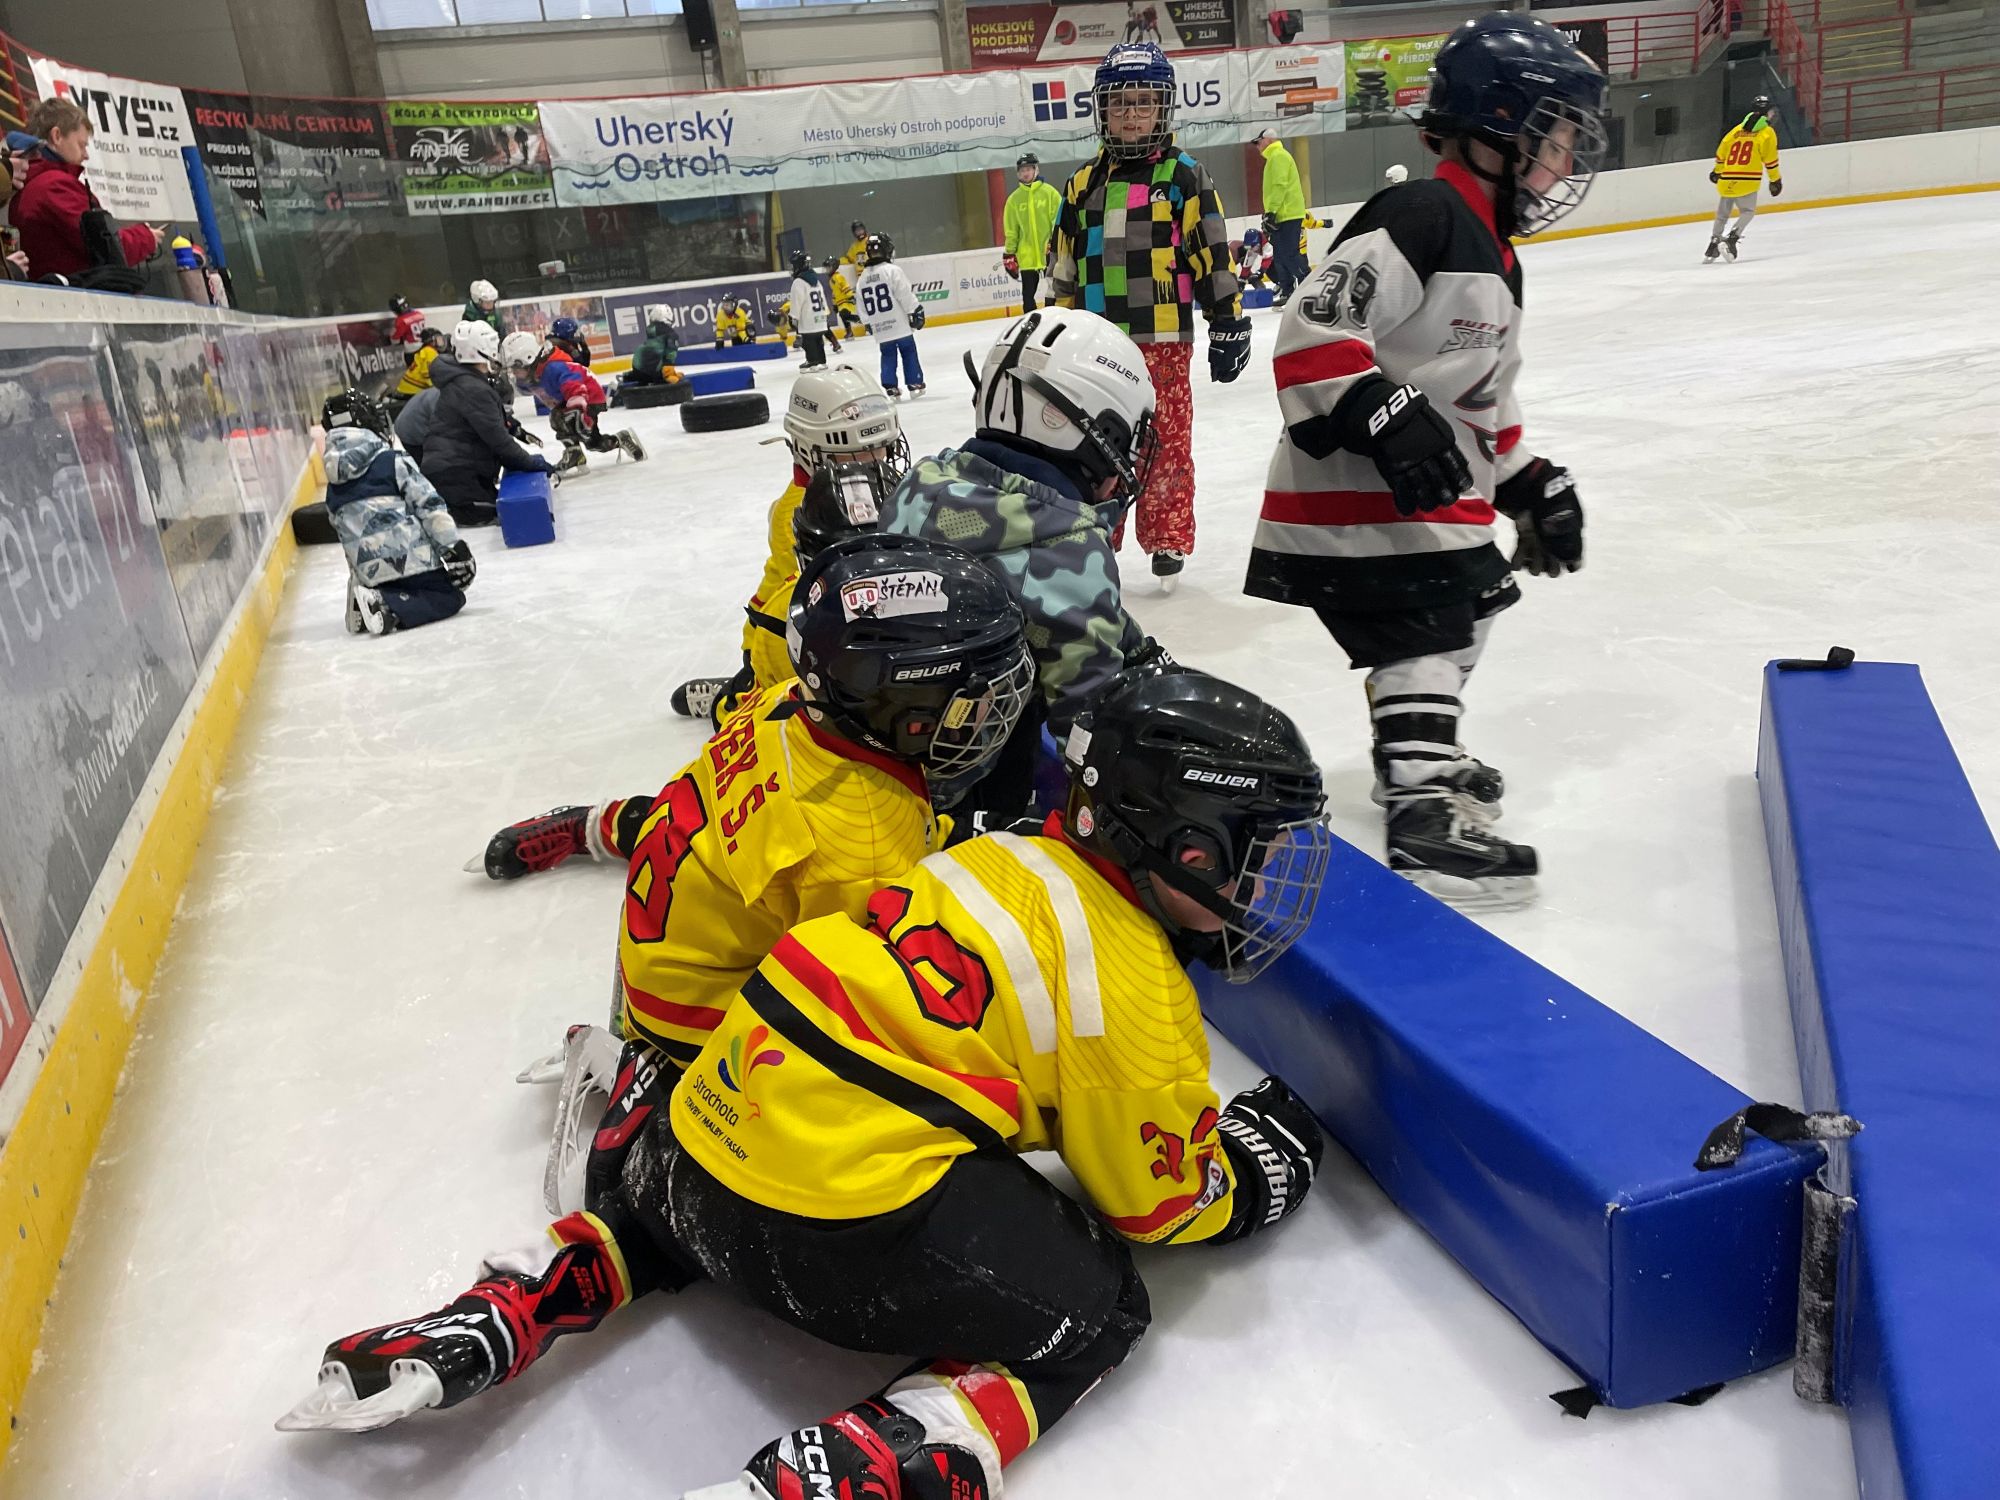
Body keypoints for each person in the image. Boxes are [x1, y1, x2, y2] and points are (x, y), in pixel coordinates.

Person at [278, 664, 1332, 1500]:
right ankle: (866, 1464)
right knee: (1098, 1313)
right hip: (829, 1243)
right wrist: (1252, 1171)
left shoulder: (989, 855)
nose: (1259, 883)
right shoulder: (1137, 988)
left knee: (733, 1164)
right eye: (1249, 852)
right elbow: (1156, 1205)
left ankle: (534, 1290)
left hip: (689, 1143)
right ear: (1182, 846)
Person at [1242, 11, 1606, 905]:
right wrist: (1380, 411)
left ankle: (1418, 748)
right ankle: (1421, 804)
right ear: (1499, 130)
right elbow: (1313, 330)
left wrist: (1527, 480)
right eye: (1556, 136)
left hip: (1426, 502)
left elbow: (1481, 401)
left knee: (1471, 606)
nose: (1565, 160)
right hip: (1355, 502)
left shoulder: (1497, 259)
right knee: (1436, 618)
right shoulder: (1421, 216)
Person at [473, 533, 1033, 1074]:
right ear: (899, 700)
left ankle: (595, 824)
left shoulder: (788, 700)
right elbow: (864, 987)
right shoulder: (858, 842)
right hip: (697, 1021)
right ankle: (653, 1096)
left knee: (690, 818)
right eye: (974, 696)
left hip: (674, 926)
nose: (989, 711)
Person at [885, 307, 1160, 833]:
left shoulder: (917, 488)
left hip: (888, 756)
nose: (1125, 464)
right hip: (965, 805)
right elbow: (1089, 724)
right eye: (1122, 440)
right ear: (1088, 430)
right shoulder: (1068, 547)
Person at [1048, 43, 1250, 592]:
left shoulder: (1184, 176)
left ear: (1163, 107)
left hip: (1162, 339)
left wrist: (1228, 318)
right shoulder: (1082, 184)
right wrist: (1052, 326)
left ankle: (1166, 536)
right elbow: (1062, 265)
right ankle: (1096, 535)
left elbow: (1210, 252)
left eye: (1144, 102)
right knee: (1096, 444)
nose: (1132, 114)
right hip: (1094, 344)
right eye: (1120, 104)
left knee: (1166, 442)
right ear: (1102, 111)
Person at [671, 365, 910, 722]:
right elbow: (801, 615)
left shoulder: (870, 492)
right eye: (862, 451)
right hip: (781, 642)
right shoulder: (799, 517)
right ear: (813, 451)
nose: (878, 461)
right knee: (762, 701)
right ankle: (732, 699)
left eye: (883, 447)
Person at [321, 422, 476, 637]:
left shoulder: (332, 487)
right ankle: (386, 604)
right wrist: (453, 547)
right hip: (408, 560)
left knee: (399, 588)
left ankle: (373, 597)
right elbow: (429, 506)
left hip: (369, 571)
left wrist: (358, 580)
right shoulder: (393, 461)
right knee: (448, 597)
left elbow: (345, 537)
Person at [10, 98, 164, 288]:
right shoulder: (55, 186)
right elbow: (105, 246)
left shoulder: (29, 188)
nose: (86, 154)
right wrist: (146, 238)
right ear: (57, 136)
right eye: (81, 145)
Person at [419, 320, 556, 527]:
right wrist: (529, 463)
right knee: (498, 513)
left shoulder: (467, 381)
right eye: (493, 344)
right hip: (454, 477)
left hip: (460, 472)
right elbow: (498, 439)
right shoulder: (472, 388)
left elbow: (494, 425)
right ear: (479, 349)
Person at [502, 330, 645, 474]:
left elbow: (574, 385)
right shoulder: (536, 372)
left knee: (592, 443)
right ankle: (575, 453)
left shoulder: (554, 367)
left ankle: (622, 438)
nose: (514, 373)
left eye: (515, 368)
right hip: (570, 399)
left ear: (529, 358)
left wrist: (578, 409)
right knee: (558, 419)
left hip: (590, 397)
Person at [1706, 94, 1782, 261]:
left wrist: (1717, 171)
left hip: (1727, 178)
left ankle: (1714, 242)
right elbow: (1770, 160)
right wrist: (1775, 180)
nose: (1772, 114)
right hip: (1748, 180)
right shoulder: (1767, 132)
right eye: (1770, 111)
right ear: (1766, 112)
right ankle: (1732, 239)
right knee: (1747, 211)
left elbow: (1722, 151)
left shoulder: (1736, 130)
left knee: (1722, 214)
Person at [855, 233, 925, 398]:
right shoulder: (892, 270)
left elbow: (860, 303)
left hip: (880, 327)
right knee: (908, 351)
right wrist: (915, 310)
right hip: (899, 324)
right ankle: (914, 383)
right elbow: (904, 294)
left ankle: (890, 386)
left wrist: (867, 322)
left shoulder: (862, 277)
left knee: (887, 354)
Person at [1253, 128, 1311, 305]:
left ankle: (1309, 284)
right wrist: (1270, 213)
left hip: (1287, 213)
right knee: (1279, 255)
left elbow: (1279, 186)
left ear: (1268, 140)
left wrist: (1271, 211)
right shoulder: (1274, 158)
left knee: (1289, 253)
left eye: (1259, 142)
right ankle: (1287, 291)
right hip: (1281, 214)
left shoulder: (1278, 156)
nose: (1257, 146)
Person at [1002, 152, 1061, 312]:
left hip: (1048, 252)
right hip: (1026, 256)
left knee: (1054, 293)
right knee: (1028, 298)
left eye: (1028, 169)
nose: (1025, 173)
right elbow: (1011, 229)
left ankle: (1053, 319)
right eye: (1022, 170)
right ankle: (1030, 323)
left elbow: (1057, 220)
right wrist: (1009, 253)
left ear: (1036, 169)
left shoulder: (1050, 193)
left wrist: (1054, 242)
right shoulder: (1014, 200)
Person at [785, 250, 834, 371]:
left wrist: (793, 316)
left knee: (809, 341)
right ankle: (822, 361)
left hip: (808, 319)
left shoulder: (798, 282)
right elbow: (823, 299)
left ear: (798, 266)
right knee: (818, 341)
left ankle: (812, 362)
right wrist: (825, 314)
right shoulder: (816, 280)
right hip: (820, 318)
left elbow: (797, 302)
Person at [388, 326, 449, 411]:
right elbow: (427, 374)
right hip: (413, 390)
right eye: (438, 340)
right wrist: (439, 388)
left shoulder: (425, 350)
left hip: (406, 388)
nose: (441, 343)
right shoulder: (430, 352)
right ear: (430, 341)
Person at [623, 304, 683, 387]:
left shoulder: (651, 332)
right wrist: (668, 372)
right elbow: (671, 353)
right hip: (652, 373)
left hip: (637, 368)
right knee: (677, 380)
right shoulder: (670, 334)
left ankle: (630, 376)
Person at [823, 255, 865, 339]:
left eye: (828, 268)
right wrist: (834, 304)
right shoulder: (831, 280)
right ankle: (849, 331)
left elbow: (845, 286)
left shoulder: (838, 277)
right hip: (840, 302)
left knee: (844, 315)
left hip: (846, 300)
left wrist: (850, 296)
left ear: (834, 267)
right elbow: (834, 293)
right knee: (843, 316)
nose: (827, 270)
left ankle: (865, 322)